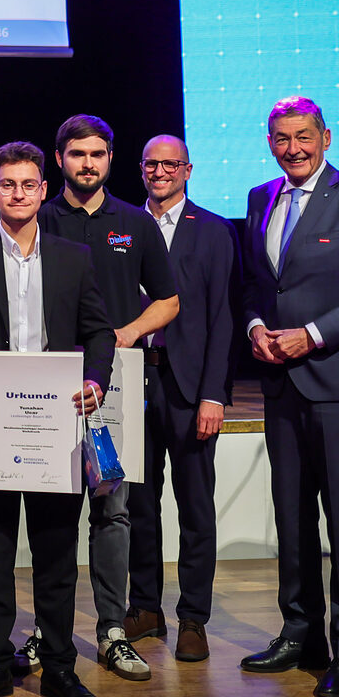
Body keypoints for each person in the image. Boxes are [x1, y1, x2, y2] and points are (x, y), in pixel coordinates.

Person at [0, 141, 114, 697]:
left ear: (42, 188)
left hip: (56, 426)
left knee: (57, 553)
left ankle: (59, 665)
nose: (18, 193)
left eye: (28, 184)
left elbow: (99, 332)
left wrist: (95, 381)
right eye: (7, 184)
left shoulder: (72, 257)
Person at [25, 114, 178, 683]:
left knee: (113, 512)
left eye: (97, 154)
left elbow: (169, 300)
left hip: (111, 387)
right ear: (58, 158)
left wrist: (128, 333)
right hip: (49, 387)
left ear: (110, 159)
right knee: (53, 517)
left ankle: (112, 631)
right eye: (76, 154)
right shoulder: (37, 217)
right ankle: (49, 631)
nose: (87, 163)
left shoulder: (134, 223)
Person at [124, 135, 239, 663]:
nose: (161, 172)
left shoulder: (213, 231)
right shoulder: (122, 225)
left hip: (191, 389)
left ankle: (194, 616)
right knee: (137, 505)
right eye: (152, 164)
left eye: (171, 164)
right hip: (131, 380)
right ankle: (145, 608)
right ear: (142, 169)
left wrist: (215, 394)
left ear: (188, 169)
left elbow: (222, 317)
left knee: (195, 508)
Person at [239, 96, 339, 695]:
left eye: (303, 136)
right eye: (281, 138)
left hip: (332, 385)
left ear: (325, 137)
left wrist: (314, 335)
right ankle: (301, 633)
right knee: (293, 518)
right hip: (279, 387)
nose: (292, 148)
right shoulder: (260, 198)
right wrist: (255, 328)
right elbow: (256, 283)